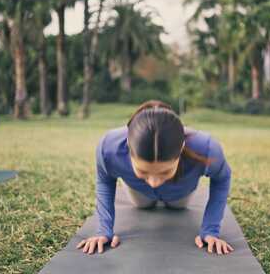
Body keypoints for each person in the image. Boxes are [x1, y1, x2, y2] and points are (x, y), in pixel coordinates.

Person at [77, 100, 233, 255]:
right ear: (128, 148)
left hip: (180, 195)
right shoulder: (109, 148)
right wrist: (103, 231)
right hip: (139, 192)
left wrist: (210, 231)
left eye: (165, 172)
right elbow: (105, 180)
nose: (154, 183)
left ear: (182, 148)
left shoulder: (207, 148)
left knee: (177, 207)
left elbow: (222, 178)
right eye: (143, 171)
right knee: (143, 205)